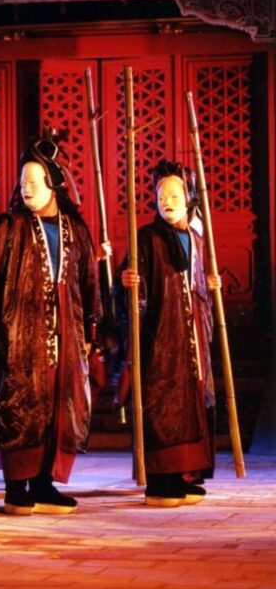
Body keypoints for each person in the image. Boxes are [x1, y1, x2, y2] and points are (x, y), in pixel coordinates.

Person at [0, 127, 105, 516]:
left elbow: (89, 282)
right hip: (22, 333)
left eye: (35, 181)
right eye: (23, 182)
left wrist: (91, 330)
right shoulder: (12, 225)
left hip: (66, 332)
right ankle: (16, 486)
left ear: (53, 184)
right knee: (22, 404)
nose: (27, 188)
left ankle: (44, 484)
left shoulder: (76, 230)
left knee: (59, 406)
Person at [117, 160, 218, 507]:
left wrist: (207, 284)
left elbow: (195, 284)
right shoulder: (147, 238)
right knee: (164, 405)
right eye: (162, 196)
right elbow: (131, 290)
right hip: (162, 336)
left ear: (189, 198)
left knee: (192, 401)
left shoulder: (197, 239)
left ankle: (184, 474)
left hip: (191, 334)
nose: (168, 202)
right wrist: (127, 282)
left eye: (175, 195)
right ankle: (161, 480)